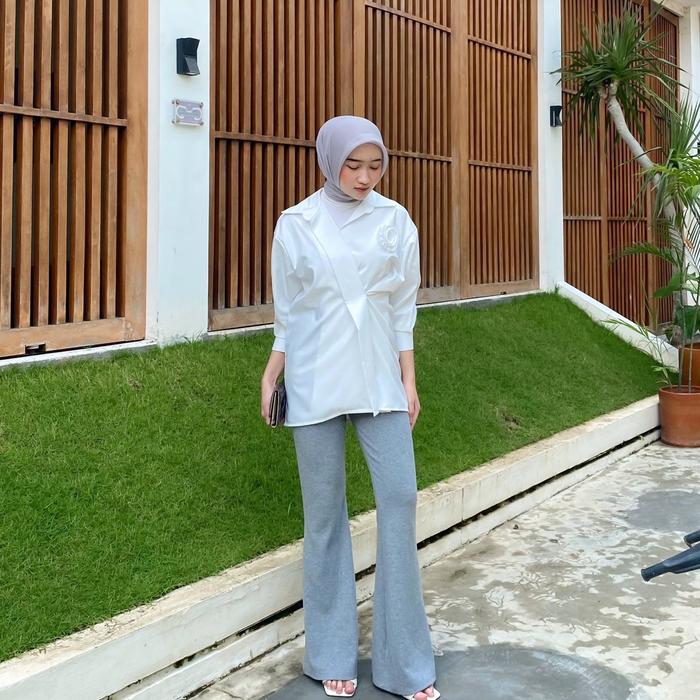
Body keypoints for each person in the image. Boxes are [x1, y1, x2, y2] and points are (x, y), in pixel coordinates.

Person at [260, 115, 440, 700]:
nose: (364, 177)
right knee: (324, 515)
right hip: (313, 378)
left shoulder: (396, 220)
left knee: (400, 498)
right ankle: (330, 652)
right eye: (353, 165)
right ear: (328, 161)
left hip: (379, 378)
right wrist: (272, 372)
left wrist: (408, 378)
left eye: (375, 165)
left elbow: (403, 306)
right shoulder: (295, 224)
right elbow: (288, 312)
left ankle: (404, 664)